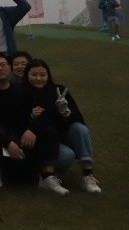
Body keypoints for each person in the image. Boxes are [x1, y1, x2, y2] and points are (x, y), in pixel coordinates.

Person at [0, 52, 63, 194]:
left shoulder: (22, 90)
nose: (0, 68)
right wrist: (8, 142)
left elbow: (33, 114)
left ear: (9, 68)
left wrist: (31, 129)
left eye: (3, 65)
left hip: (20, 136)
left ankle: (47, 177)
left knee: (49, 132)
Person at [23, 59, 102, 193]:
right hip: (43, 140)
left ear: (48, 75)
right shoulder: (23, 93)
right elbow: (20, 120)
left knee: (80, 129)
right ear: (27, 75)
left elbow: (78, 118)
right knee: (67, 155)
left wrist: (66, 113)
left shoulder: (58, 90)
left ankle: (87, 174)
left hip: (61, 134)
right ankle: (45, 176)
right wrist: (31, 118)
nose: (39, 78)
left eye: (43, 75)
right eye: (34, 75)